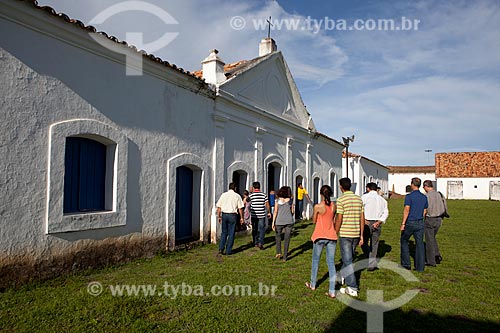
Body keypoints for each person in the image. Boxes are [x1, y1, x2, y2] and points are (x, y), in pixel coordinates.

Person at [305, 185, 338, 298]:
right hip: (331, 236)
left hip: (319, 236)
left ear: (321, 194)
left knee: (315, 261)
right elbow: (333, 220)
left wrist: (316, 213)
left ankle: (313, 284)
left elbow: (314, 221)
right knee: (331, 263)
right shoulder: (334, 206)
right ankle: (332, 290)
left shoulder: (318, 207)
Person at [335, 177, 364, 297]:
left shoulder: (341, 200)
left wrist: (334, 232)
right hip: (356, 232)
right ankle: (342, 275)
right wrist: (361, 234)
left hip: (345, 233)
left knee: (348, 260)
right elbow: (362, 217)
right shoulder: (359, 199)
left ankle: (352, 287)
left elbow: (339, 218)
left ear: (341, 186)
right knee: (349, 257)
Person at [400, 177, 428, 272]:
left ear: (412, 184)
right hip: (420, 222)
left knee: (404, 240)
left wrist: (403, 223)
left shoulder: (409, 197)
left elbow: (407, 209)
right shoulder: (424, 197)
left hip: (410, 222)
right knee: (419, 244)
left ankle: (406, 264)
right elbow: (425, 210)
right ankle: (420, 267)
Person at [361, 182, 389, 271]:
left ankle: (368, 256)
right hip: (377, 222)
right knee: (375, 243)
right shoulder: (382, 200)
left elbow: (360, 209)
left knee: (363, 242)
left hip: (366, 222)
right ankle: (372, 263)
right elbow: (386, 212)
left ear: (368, 188)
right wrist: (380, 221)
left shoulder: (364, 197)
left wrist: (363, 220)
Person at [423, 180, 447, 266]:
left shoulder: (426, 196)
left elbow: (425, 209)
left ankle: (431, 261)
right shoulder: (440, 194)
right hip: (439, 219)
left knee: (429, 241)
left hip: (430, 219)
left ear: (426, 186)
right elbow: (445, 207)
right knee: (432, 237)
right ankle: (437, 255)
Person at [216, 183, 244, 255]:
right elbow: (240, 208)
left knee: (224, 232)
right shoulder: (237, 196)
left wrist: (219, 216)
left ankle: (221, 249)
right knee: (231, 233)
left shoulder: (223, 195)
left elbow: (219, 207)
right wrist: (241, 217)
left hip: (224, 214)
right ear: (235, 188)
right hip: (232, 215)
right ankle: (228, 250)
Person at [272, 186, 294, 261]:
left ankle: (278, 252)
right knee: (287, 238)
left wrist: (273, 222)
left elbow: (275, 211)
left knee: (278, 237)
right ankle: (285, 256)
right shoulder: (290, 200)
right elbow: (292, 212)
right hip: (289, 221)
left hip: (279, 221)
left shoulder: (277, 200)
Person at [249, 181, 271, 249]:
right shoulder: (264, 195)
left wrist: (250, 192)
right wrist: (269, 212)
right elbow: (267, 204)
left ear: (253, 187)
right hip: (261, 214)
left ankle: (255, 242)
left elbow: (245, 202)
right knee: (261, 229)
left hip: (254, 215)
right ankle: (261, 242)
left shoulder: (251, 195)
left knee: (254, 229)